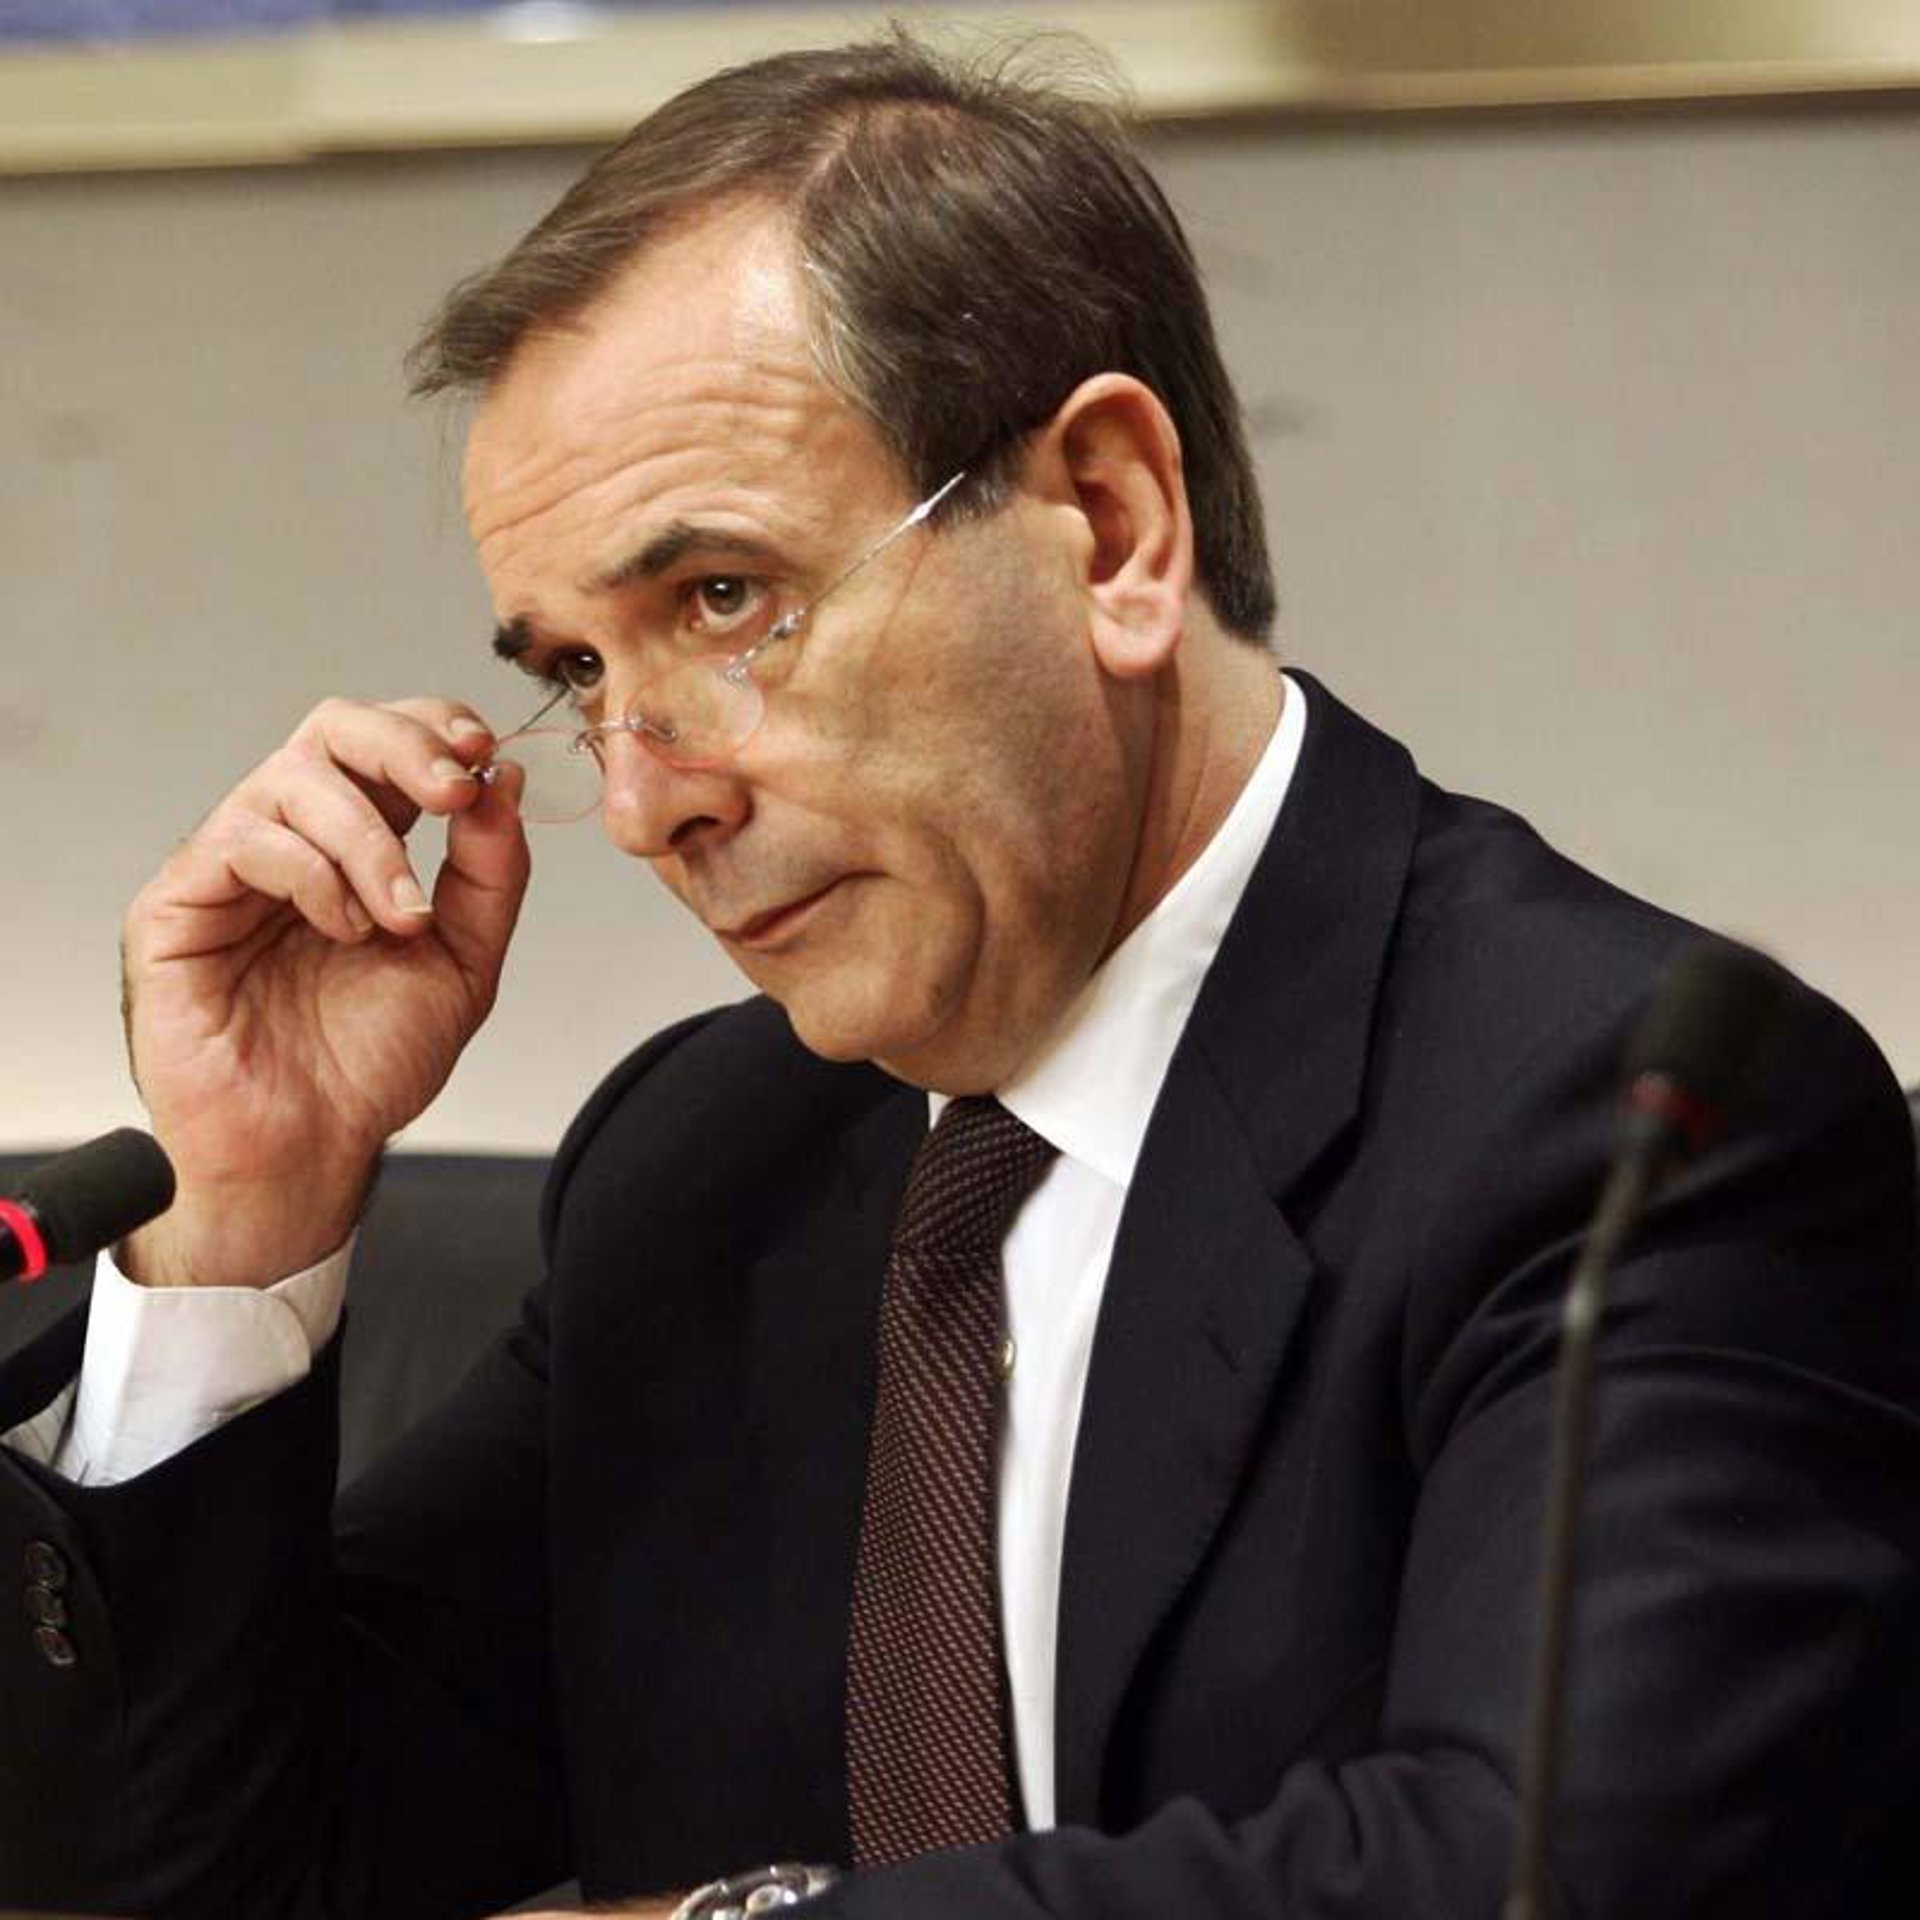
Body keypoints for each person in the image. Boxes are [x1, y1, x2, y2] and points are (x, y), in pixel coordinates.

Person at [3, 30, 1918, 1920]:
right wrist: (242, 1214)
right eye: (581, 673)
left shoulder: (1638, 1126)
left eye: (726, 600)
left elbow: (1552, 1870)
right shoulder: (700, 1165)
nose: (648, 803)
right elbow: (231, 1877)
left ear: (1114, 526)